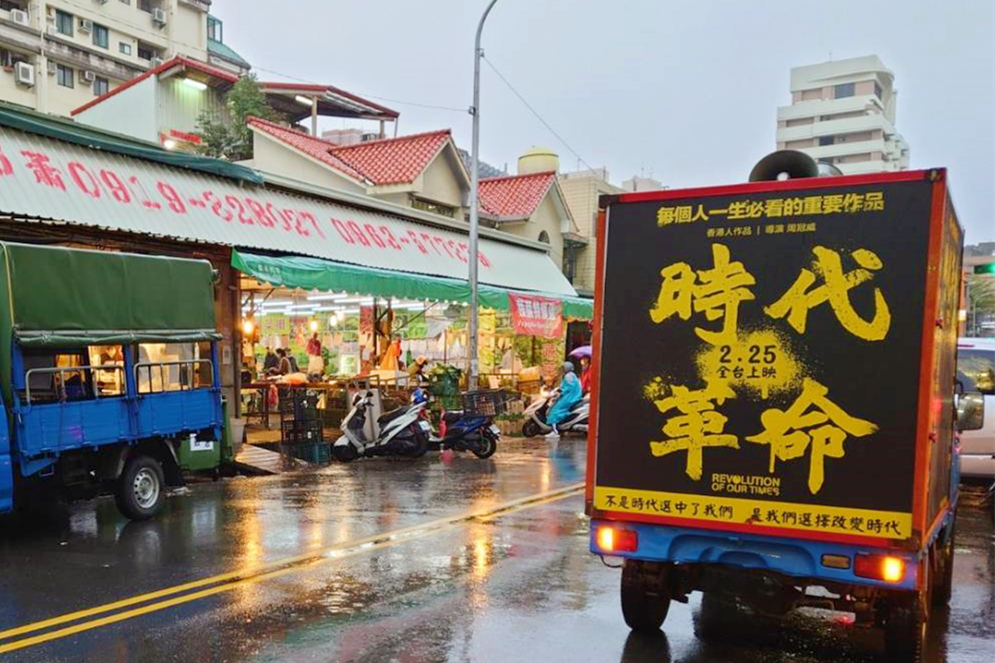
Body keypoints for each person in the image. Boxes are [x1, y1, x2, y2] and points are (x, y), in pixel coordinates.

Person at [546, 361, 582, 440]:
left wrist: (559, 392)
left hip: (570, 397)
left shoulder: (568, 376)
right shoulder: (571, 375)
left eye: (563, 368)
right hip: (572, 396)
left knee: (555, 410)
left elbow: (568, 387)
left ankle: (555, 432)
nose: (562, 370)